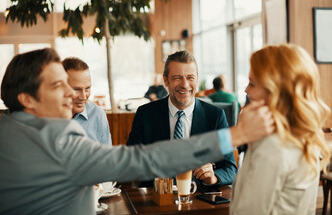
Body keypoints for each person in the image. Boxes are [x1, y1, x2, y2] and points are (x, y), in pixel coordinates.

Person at [0, 48, 274, 215]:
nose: (72, 94)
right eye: (58, 86)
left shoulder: (7, 130)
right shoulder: (58, 138)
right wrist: (236, 135)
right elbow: (140, 160)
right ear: (27, 98)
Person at [230, 44, 332, 215]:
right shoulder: (303, 135)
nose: (246, 90)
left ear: (275, 91)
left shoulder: (272, 147)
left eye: (252, 84)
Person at [127, 50, 238, 188]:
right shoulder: (145, 114)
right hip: (157, 197)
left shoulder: (215, 116)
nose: (185, 84)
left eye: (190, 77)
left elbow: (231, 169)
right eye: (177, 78)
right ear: (166, 80)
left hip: (199, 198)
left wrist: (213, 177)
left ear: (197, 79)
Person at [62, 57, 112, 145]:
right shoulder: (44, 117)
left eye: (87, 88)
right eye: (76, 89)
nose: (83, 97)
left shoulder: (97, 114)